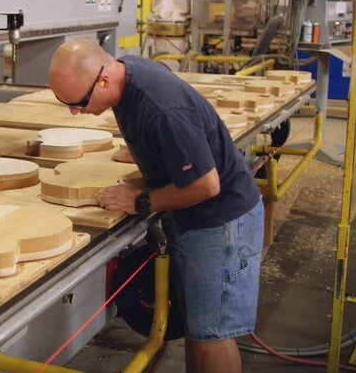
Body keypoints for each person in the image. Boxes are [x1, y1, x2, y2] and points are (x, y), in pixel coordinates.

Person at [48, 40, 264, 373]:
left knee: (214, 336)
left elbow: (206, 185)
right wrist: (142, 152)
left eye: (78, 102)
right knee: (200, 326)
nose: (75, 111)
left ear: (103, 79)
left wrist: (142, 200)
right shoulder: (127, 75)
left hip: (222, 223)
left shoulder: (163, 111)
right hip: (195, 220)